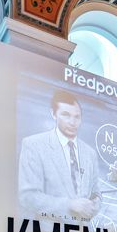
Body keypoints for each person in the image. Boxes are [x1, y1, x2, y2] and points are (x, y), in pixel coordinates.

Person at [18, 90, 100, 221]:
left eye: (77, 117)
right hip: (47, 231)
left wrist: (94, 206)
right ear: (53, 114)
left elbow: (96, 194)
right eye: (66, 115)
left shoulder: (90, 153)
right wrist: (69, 205)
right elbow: (28, 197)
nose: (72, 122)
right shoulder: (33, 145)